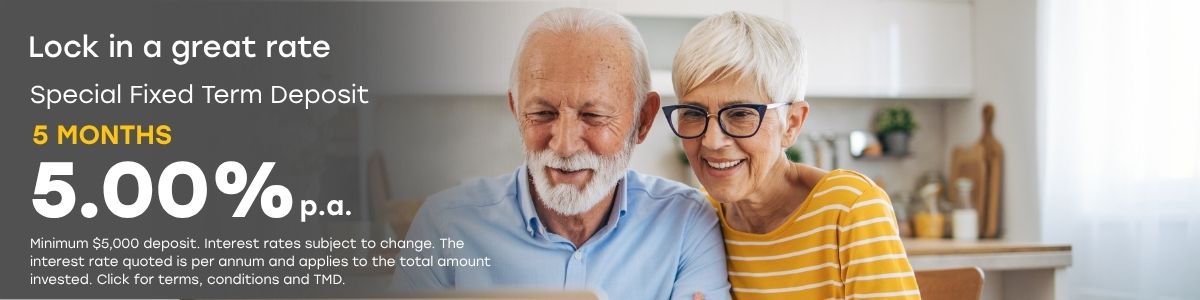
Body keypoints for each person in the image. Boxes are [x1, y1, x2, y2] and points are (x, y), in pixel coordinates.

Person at [391, 7, 731, 299]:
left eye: (593, 116)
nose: (565, 146)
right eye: (542, 113)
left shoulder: (687, 224)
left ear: (642, 120)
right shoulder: (444, 224)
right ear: (515, 110)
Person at [666, 11, 921, 299]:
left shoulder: (852, 209)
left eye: (740, 114)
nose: (711, 141)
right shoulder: (702, 217)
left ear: (792, 123)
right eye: (693, 113)